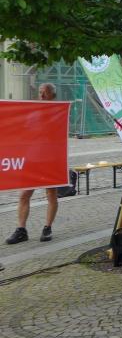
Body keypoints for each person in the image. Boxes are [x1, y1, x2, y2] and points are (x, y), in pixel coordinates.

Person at [5, 83, 61, 245]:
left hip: (50, 160)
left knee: (51, 194)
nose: (42, 95)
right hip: (32, 159)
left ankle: (47, 227)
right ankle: (21, 230)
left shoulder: (58, 113)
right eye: (40, 92)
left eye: (45, 93)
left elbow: (58, 135)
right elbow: (25, 133)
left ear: (53, 95)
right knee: (24, 195)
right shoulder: (33, 112)